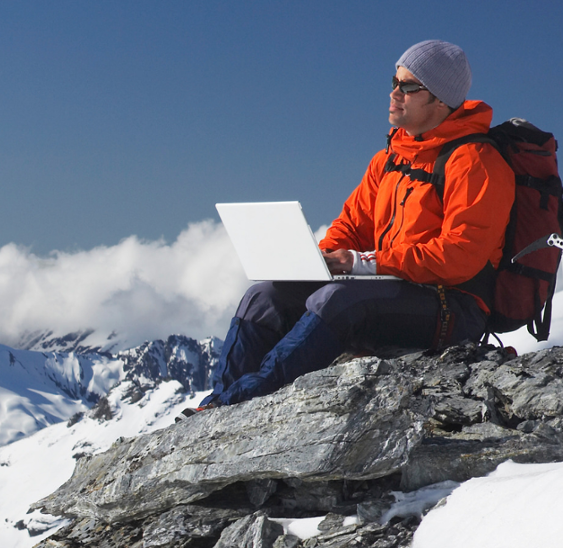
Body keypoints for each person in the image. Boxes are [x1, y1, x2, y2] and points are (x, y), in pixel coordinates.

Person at [204, 40, 515, 407]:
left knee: (338, 300)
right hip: (391, 289)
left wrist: (364, 263)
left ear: (441, 100)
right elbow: (352, 225)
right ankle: (218, 403)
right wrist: (316, 263)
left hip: (452, 307)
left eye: (408, 86)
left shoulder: (476, 161)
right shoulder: (389, 160)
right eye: (394, 82)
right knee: (264, 297)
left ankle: (236, 405)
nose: (394, 93)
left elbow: (459, 255)